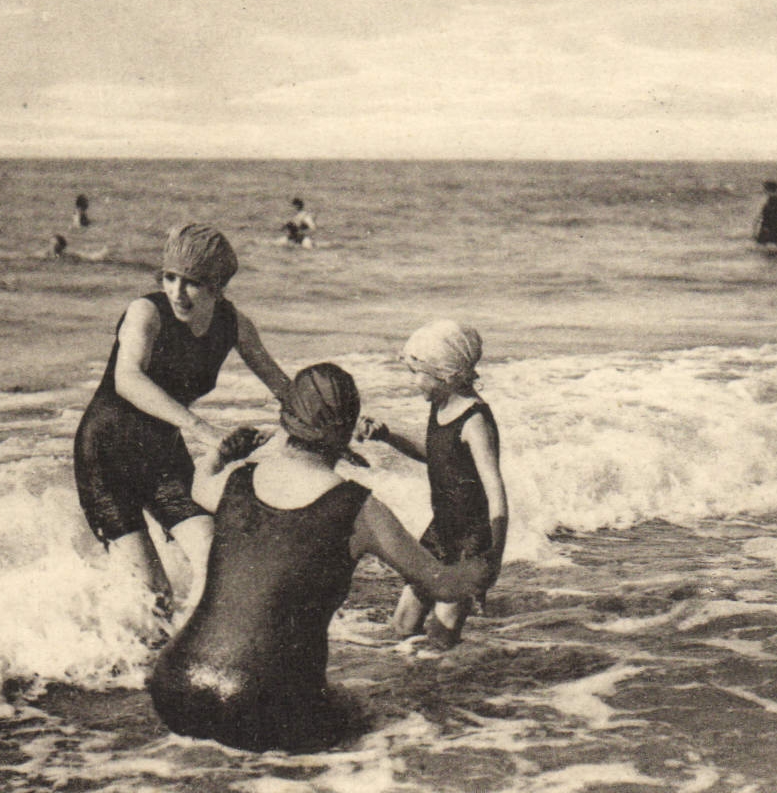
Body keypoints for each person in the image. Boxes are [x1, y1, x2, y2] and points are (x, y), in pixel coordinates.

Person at [148, 363, 491, 752]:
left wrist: (221, 452)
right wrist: (486, 558)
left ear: (286, 421)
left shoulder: (236, 480)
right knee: (369, 709)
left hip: (176, 688)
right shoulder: (358, 508)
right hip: (260, 707)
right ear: (346, 433)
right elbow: (442, 584)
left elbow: (197, 488)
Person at [73, 223, 291, 626]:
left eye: (191, 283)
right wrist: (200, 428)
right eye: (170, 278)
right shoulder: (146, 313)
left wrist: (329, 420)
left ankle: (199, 651)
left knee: (215, 557)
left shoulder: (233, 324)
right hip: (105, 455)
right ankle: (130, 669)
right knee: (155, 598)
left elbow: (281, 385)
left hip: (160, 455)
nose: (176, 291)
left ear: (217, 287)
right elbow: (128, 379)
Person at [359, 320, 508, 648]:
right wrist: (388, 436)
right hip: (440, 531)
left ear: (448, 374)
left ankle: (446, 691)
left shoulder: (475, 422)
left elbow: (495, 491)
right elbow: (438, 454)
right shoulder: (440, 406)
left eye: (418, 373)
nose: (413, 382)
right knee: (403, 623)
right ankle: (418, 681)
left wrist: (492, 557)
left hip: (471, 541)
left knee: (442, 633)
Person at [753, 181, 777, 248]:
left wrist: (755, 229)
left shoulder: (768, 202)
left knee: (762, 249)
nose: (764, 191)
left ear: (768, 190)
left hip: (766, 226)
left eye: (765, 189)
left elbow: (761, 216)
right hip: (776, 226)